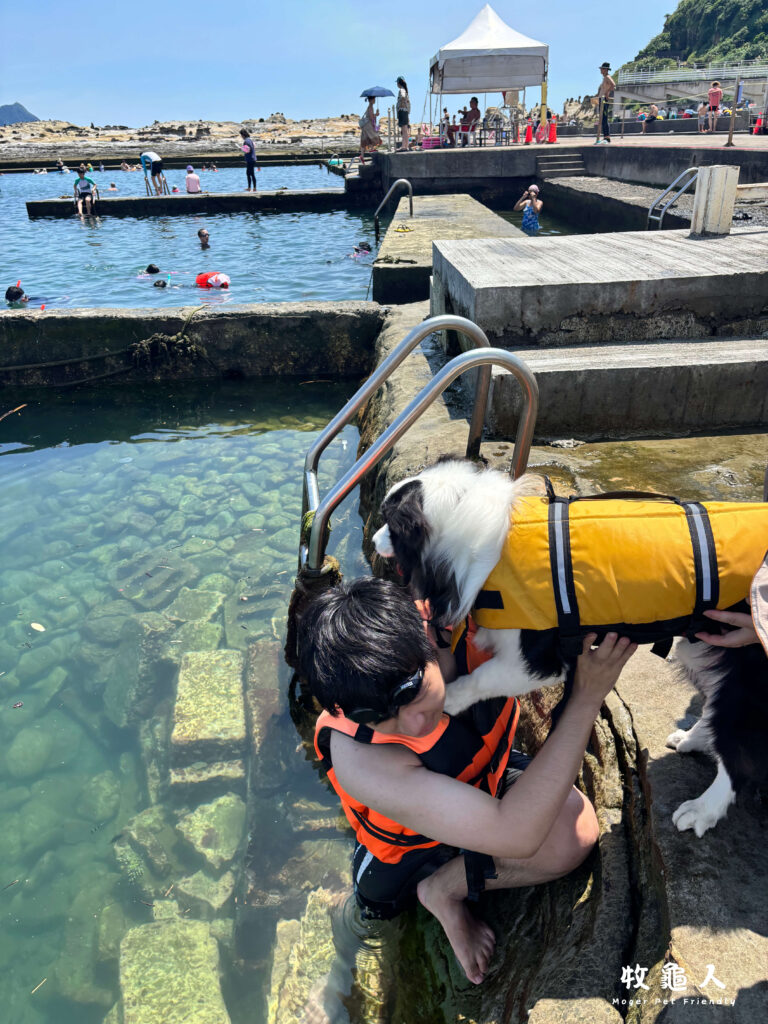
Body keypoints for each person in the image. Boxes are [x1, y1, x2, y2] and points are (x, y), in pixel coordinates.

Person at [298, 577, 636, 985]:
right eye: (377, 716)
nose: (413, 723)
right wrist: (586, 696)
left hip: (481, 777)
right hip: (408, 853)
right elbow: (516, 834)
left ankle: (446, 888)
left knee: (575, 835)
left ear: (423, 632)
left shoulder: (467, 619)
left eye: (411, 690)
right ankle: (426, 895)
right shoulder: (360, 756)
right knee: (370, 920)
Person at [596, 62, 615, 143]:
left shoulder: (607, 77)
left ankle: (607, 137)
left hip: (604, 100)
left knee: (604, 119)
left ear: (606, 70)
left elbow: (613, 85)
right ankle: (605, 137)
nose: (601, 70)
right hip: (601, 99)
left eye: (602, 69)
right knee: (602, 119)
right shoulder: (604, 78)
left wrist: (607, 92)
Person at [359, 96, 381, 164]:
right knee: (373, 136)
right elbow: (371, 117)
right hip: (368, 125)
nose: (374, 100)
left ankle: (362, 156)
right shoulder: (371, 107)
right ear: (371, 100)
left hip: (365, 126)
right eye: (374, 99)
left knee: (365, 140)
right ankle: (371, 149)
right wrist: (376, 115)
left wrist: (375, 114)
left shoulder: (369, 106)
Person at [396, 77, 411, 152]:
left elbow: (403, 96)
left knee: (404, 130)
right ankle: (406, 146)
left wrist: (401, 103)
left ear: (398, 83)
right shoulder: (405, 90)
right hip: (405, 111)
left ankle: (403, 146)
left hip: (402, 111)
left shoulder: (401, 90)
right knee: (405, 130)